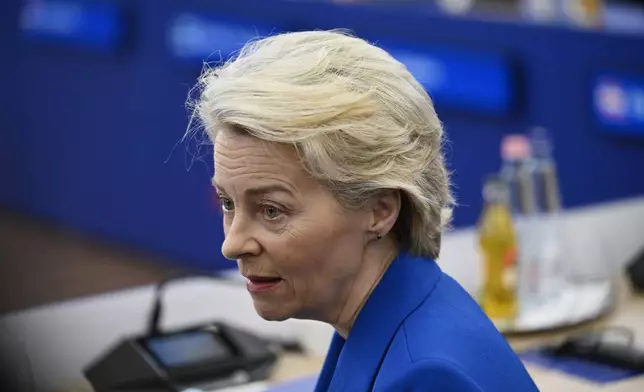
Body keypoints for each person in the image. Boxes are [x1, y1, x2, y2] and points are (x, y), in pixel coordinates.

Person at [191, 30, 538, 392]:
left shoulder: (428, 378)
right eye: (228, 203)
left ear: (380, 210)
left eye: (272, 210)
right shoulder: (379, 319)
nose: (231, 245)